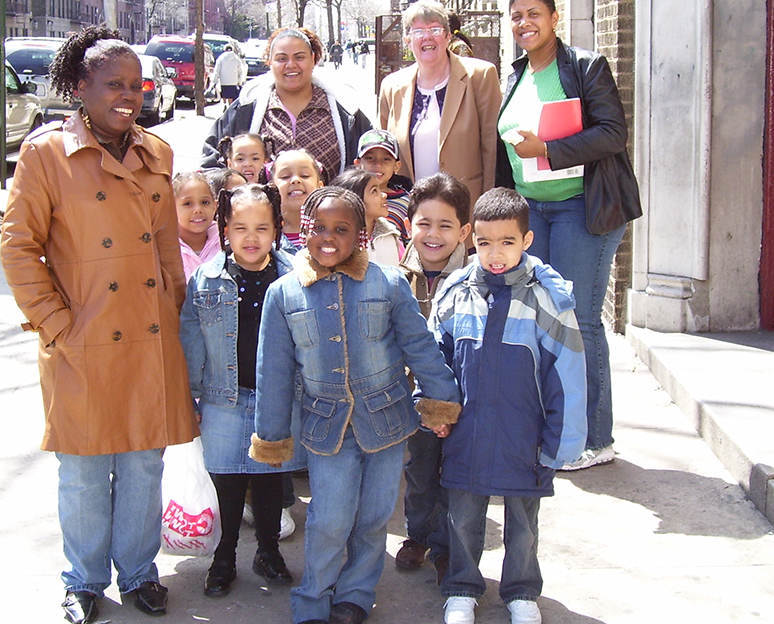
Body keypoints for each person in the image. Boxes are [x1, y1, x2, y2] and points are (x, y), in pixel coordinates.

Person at [0, 26, 200, 624]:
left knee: (143, 462)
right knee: (85, 468)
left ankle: (138, 573)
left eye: (137, 86)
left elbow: (167, 244)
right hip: (82, 336)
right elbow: (18, 248)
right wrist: (56, 323)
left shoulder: (157, 152)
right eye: (114, 84)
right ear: (79, 87)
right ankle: (83, 580)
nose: (129, 96)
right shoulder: (45, 153)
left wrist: (172, 304)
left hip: (149, 334)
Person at [250, 186, 462, 624]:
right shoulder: (283, 293)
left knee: (374, 517)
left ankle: (355, 596)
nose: (329, 238)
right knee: (329, 519)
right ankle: (312, 600)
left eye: (342, 229)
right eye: (319, 228)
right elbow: (273, 373)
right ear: (304, 230)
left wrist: (442, 401)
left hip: (387, 423)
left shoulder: (389, 283)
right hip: (327, 429)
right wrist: (272, 437)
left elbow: (419, 347)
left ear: (362, 236)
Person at [497, 0, 642, 471]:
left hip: (583, 208)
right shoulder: (515, 74)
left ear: (555, 18)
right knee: (544, 319)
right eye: (516, 16)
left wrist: (549, 151)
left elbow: (613, 133)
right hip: (533, 211)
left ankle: (596, 438)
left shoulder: (586, 66)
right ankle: (558, 425)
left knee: (579, 319)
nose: (524, 24)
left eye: (533, 14)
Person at [430, 188, 587, 624]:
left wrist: (562, 442)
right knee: (462, 516)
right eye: (484, 243)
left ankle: (521, 591)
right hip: (467, 432)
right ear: (471, 241)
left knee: (523, 522)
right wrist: (435, 411)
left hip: (525, 434)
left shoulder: (548, 300)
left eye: (507, 242)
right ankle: (461, 587)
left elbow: (569, 376)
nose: (495, 254)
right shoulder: (455, 293)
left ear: (527, 240)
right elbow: (434, 359)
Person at [180, 183, 303, 598]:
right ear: (225, 230)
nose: (251, 238)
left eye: (262, 228)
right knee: (227, 481)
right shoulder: (208, 279)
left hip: (275, 398)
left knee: (270, 479)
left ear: (276, 230)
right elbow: (192, 337)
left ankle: (268, 552)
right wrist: (192, 398)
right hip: (222, 398)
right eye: (240, 228)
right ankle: (224, 556)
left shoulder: (293, 275)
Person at [394, 172, 472, 577]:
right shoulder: (394, 274)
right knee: (420, 469)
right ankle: (419, 535)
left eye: (446, 225)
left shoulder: (477, 278)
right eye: (424, 223)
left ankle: (447, 546)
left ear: (464, 231)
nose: (433, 234)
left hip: (462, 393)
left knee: (455, 474)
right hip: (414, 398)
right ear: (410, 225)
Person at [201, 27, 372, 177]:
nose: (291, 65)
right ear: (270, 62)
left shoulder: (345, 110)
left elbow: (374, 161)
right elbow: (212, 160)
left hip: (329, 213)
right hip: (261, 213)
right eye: (282, 59)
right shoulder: (246, 109)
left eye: (299, 57)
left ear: (313, 59)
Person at [379, 0, 503, 206]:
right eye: (418, 31)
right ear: (408, 41)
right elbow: (382, 152)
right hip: (411, 208)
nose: (427, 37)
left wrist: (489, 205)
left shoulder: (480, 76)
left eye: (435, 29)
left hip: (466, 205)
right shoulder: (391, 86)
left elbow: (492, 148)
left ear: (447, 36)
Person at [329, 168, 404, 266]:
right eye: (374, 191)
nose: (384, 195)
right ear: (356, 199)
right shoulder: (339, 240)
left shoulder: (391, 234)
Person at [353, 128, 412, 241]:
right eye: (370, 158)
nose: (378, 164)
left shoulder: (406, 203)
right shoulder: (347, 198)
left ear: (397, 166)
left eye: (386, 159)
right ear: (358, 163)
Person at [269, 148, 326, 253]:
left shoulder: (332, 233)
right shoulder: (266, 238)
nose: (295, 180)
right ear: (272, 189)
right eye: (285, 176)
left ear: (320, 186)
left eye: (304, 175)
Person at [174, 171, 221, 280]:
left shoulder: (226, 243)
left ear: (214, 206)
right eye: (187, 204)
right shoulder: (166, 248)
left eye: (205, 202)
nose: (198, 210)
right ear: (172, 207)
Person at [210, 44, 247, 108]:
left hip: (224, 81)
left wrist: (214, 81)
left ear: (225, 50)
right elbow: (241, 71)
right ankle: (229, 107)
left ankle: (224, 104)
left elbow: (217, 70)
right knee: (231, 96)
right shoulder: (237, 59)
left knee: (224, 94)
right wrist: (240, 82)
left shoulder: (221, 58)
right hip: (233, 81)